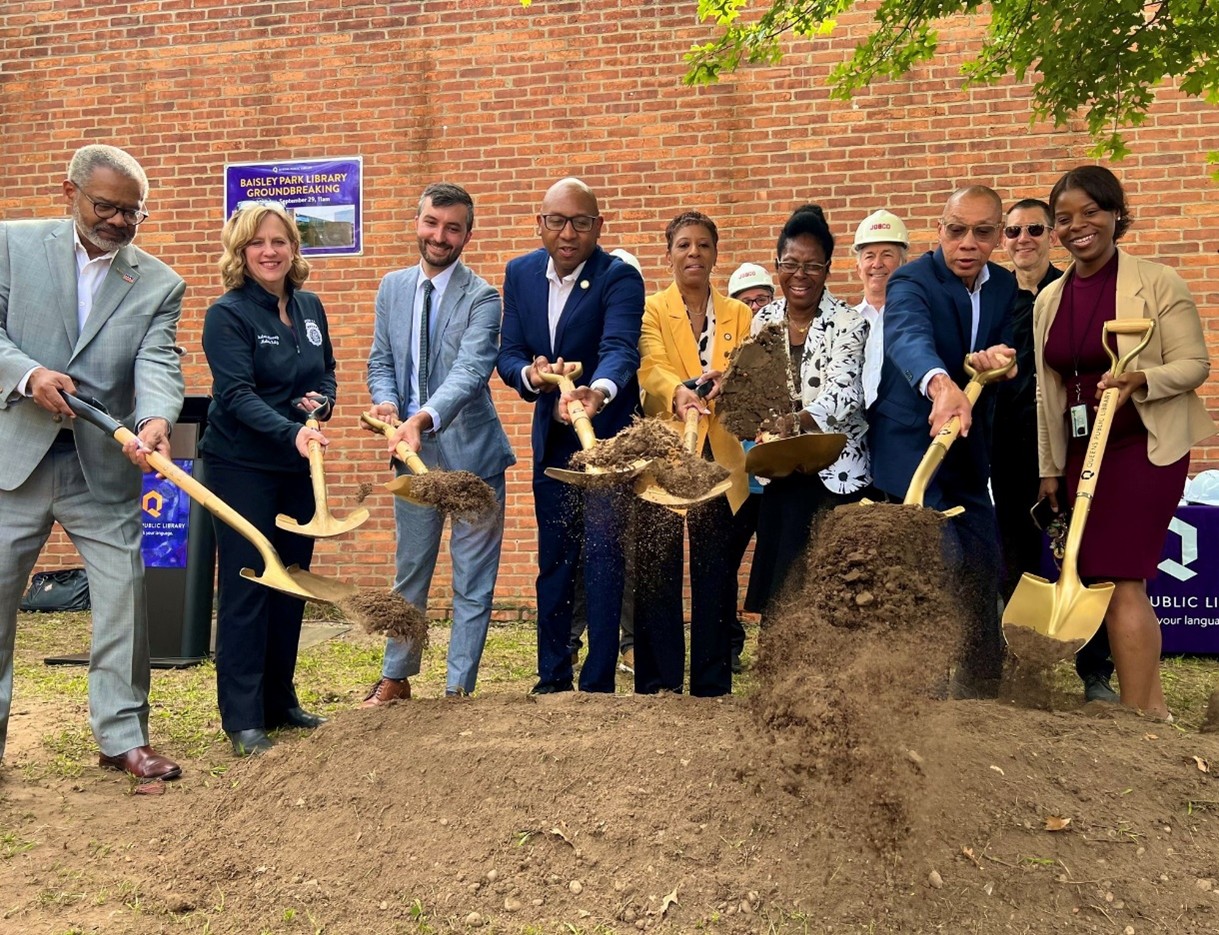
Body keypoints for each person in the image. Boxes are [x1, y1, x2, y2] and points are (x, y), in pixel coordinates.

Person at [0, 144, 185, 781]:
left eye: (132, 213)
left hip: (100, 465)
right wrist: (26, 376)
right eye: (105, 206)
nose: (117, 222)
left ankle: (122, 736)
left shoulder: (159, 282)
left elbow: (158, 362)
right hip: (13, 461)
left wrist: (157, 418)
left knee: (124, 594)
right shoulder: (10, 244)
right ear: (70, 192)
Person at [1034, 165, 1214, 720]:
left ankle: (1143, 714)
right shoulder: (1050, 299)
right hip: (1085, 447)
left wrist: (1141, 380)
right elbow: (1050, 394)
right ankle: (1152, 708)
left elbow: (1195, 365)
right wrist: (1050, 468)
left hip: (1143, 444)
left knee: (1119, 573)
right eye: (1063, 219)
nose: (1077, 227)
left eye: (1090, 212)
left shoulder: (1157, 282)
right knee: (1096, 571)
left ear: (1116, 214)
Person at [362, 183, 514, 704]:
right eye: (432, 223)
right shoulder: (392, 287)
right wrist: (387, 406)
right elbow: (381, 360)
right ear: (417, 222)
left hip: (473, 460)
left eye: (453, 228)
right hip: (411, 459)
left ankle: (457, 689)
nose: (440, 236)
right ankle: (396, 676)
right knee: (411, 571)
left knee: (473, 580)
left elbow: (472, 372)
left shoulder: (484, 297)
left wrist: (421, 418)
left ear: (467, 234)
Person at [869, 186, 1018, 697]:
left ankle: (980, 694)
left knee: (982, 557)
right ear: (939, 230)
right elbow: (907, 337)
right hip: (915, 446)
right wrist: (941, 384)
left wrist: (997, 361)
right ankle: (919, 690)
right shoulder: (912, 279)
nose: (967, 243)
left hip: (968, 449)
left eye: (982, 232)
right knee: (933, 558)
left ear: (998, 236)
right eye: (956, 230)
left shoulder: (1002, 286)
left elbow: (1004, 349)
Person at [496, 178, 644, 694]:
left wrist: (597, 392)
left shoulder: (619, 278)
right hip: (555, 444)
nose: (568, 233)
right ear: (540, 224)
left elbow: (622, 348)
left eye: (581, 222)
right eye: (556, 220)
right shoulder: (520, 274)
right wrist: (531, 377)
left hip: (605, 444)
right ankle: (552, 675)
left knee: (604, 555)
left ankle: (598, 680)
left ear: (598, 228)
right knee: (555, 559)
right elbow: (508, 351)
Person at [199, 202, 336, 756]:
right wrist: (291, 432)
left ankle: (280, 701)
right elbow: (235, 396)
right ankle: (242, 718)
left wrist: (321, 402)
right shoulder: (227, 314)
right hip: (241, 468)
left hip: (297, 467)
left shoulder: (308, 307)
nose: (271, 251)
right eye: (258, 242)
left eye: (280, 240)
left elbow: (325, 370)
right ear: (241, 251)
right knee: (251, 584)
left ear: (293, 248)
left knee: (293, 582)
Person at [634, 211, 752, 695]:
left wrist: (730, 382)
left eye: (703, 245)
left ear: (716, 255)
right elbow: (649, 366)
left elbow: (748, 366)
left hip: (720, 455)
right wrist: (677, 392)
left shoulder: (740, 313)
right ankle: (658, 682)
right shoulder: (652, 310)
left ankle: (711, 682)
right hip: (666, 452)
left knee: (716, 572)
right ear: (669, 254)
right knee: (657, 568)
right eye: (684, 245)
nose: (694, 254)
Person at [744, 205, 870, 616]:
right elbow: (757, 385)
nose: (800, 275)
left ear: (828, 268)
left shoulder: (849, 322)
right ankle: (781, 672)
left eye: (812, 265)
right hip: (781, 470)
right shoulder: (763, 318)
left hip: (833, 471)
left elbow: (845, 392)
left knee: (830, 589)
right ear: (777, 264)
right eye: (791, 264)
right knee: (782, 587)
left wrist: (794, 422)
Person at [569, 249, 641, 676]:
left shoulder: (634, 327)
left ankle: (629, 642)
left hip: (629, 450)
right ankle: (575, 639)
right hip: (585, 447)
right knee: (584, 550)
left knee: (627, 551)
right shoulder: (587, 325)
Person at [993, 199, 1063, 598]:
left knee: (1072, 545)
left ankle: (1092, 658)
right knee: (1013, 549)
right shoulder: (995, 298)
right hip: (1009, 444)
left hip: (1063, 440)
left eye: (1035, 230)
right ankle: (1019, 647)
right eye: (1014, 231)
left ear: (1052, 236)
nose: (1024, 239)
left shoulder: (1069, 291)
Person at [851, 209, 909, 409]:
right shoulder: (845, 323)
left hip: (898, 432)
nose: (877, 264)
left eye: (887, 255)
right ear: (858, 268)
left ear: (903, 264)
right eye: (869, 256)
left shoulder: (914, 321)